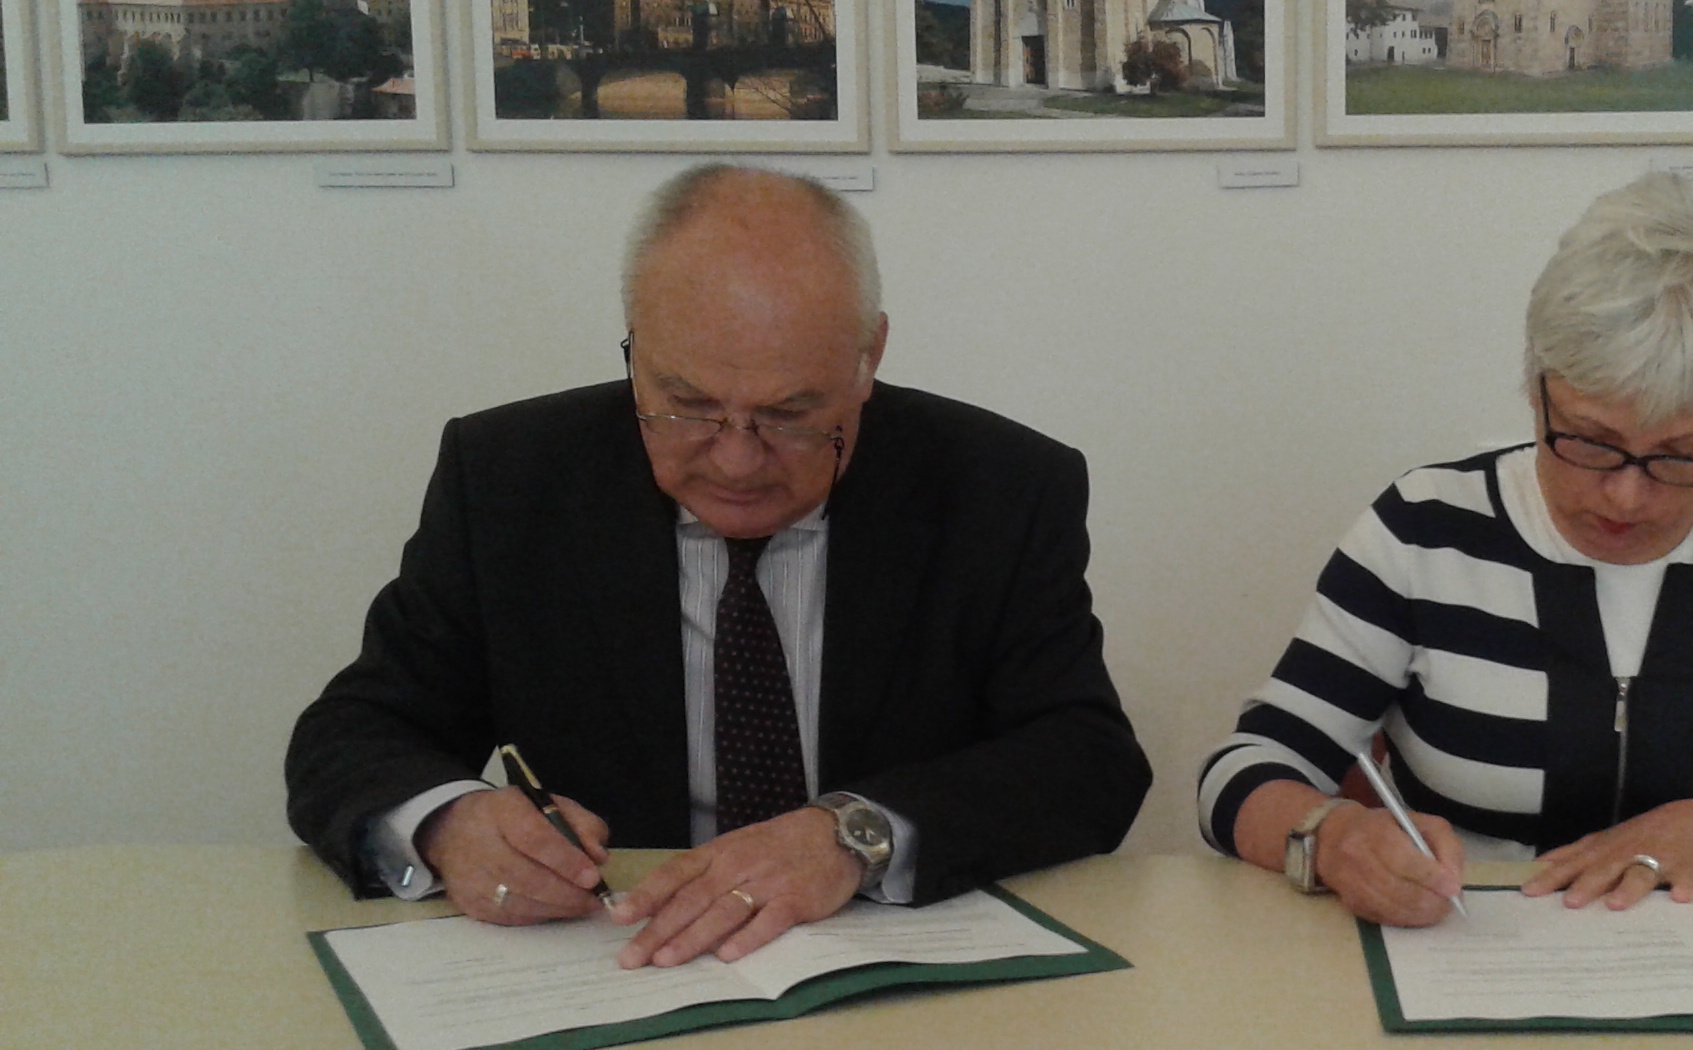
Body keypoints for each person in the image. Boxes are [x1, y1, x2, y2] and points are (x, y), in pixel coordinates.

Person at [287, 164, 1151, 968]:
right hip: (612, 960)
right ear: (636, 352)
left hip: (881, 959)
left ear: (869, 360)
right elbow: (353, 732)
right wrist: (448, 822)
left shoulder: (999, 487)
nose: (736, 461)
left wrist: (856, 835)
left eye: (791, 415)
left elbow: (1087, 759)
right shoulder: (510, 479)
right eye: (687, 406)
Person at [1197, 171, 1693, 926]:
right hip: (1469, 953)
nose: (1626, 497)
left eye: (1683, 455)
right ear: (1537, 390)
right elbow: (1241, 772)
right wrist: (1335, 838)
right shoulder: (1426, 530)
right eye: (1591, 442)